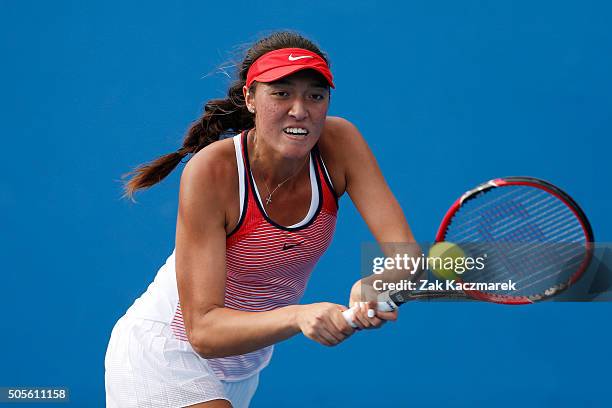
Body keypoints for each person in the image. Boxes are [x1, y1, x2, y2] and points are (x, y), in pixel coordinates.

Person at [104, 31, 415, 408]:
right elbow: (202, 329)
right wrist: (298, 316)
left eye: (315, 95)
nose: (300, 109)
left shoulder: (341, 143)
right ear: (251, 98)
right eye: (281, 93)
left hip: (244, 367)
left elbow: (407, 260)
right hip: (167, 352)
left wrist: (377, 285)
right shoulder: (213, 171)